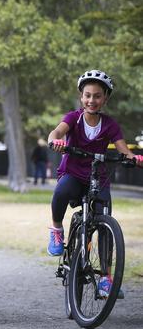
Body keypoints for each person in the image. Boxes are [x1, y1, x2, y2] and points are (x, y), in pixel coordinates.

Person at [47, 70, 143, 296]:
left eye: (97, 96)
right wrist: (55, 140)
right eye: (88, 95)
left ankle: (106, 279)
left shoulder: (110, 125)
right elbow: (57, 131)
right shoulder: (74, 118)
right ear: (81, 97)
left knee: (106, 224)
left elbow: (124, 152)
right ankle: (57, 229)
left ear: (105, 99)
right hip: (72, 173)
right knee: (61, 191)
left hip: (98, 178)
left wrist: (135, 159)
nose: (92, 100)